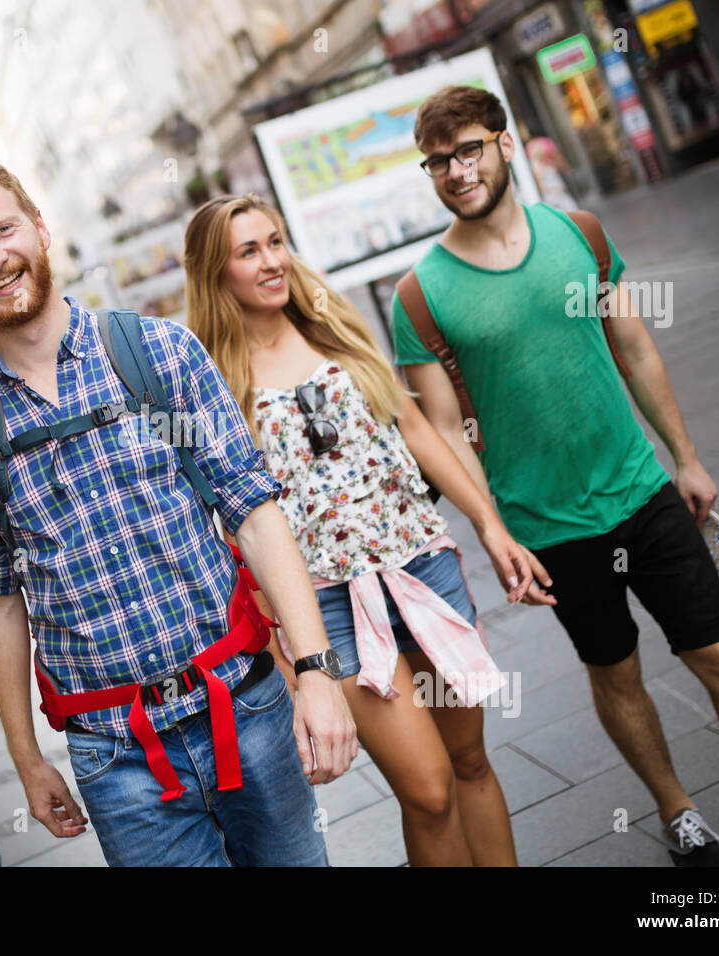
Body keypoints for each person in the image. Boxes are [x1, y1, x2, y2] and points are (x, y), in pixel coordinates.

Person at [392, 85, 719, 867]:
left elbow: (634, 347)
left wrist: (684, 457)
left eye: (468, 150)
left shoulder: (579, 234)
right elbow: (445, 431)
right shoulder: (421, 295)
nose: (455, 172)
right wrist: (493, 535)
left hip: (642, 490)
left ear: (505, 143)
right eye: (437, 162)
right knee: (615, 671)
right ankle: (677, 809)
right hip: (548, 524)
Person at [0, 154, 358, 866]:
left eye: (3, 230)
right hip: (116, 756)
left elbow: (254, 509)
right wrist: (26, 756)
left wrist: (316, 672)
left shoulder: (158, 351)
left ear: (40, 228)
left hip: (245, 709)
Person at [183, 193, 529, 866]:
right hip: (328, 609)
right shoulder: (212, 385)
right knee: (428, 791)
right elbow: (231, 529)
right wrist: (282, 654)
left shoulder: (331, 326)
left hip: (420, 565)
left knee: (470, 762)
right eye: (248, 251)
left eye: (276, 242)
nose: (271, 260)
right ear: (215, 272)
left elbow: (415, 427)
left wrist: (489, 525)